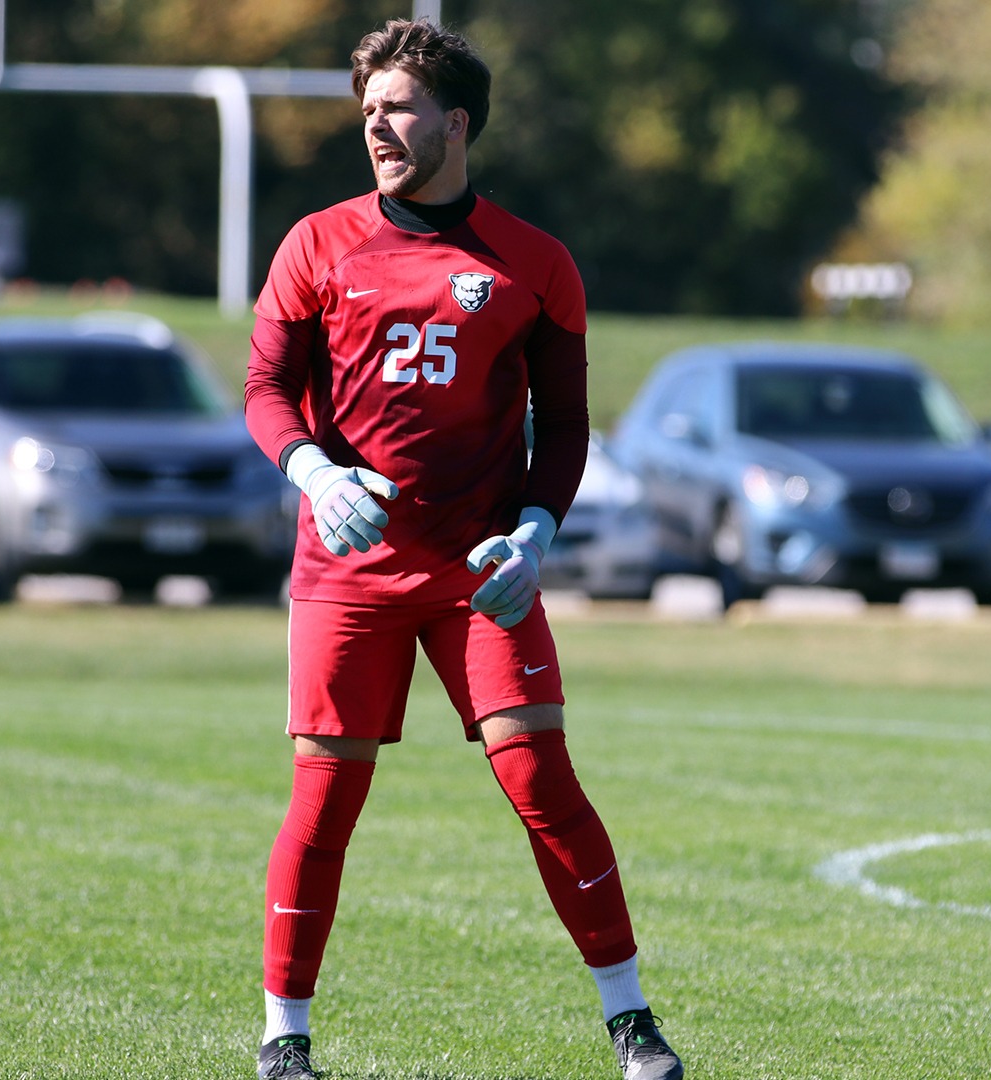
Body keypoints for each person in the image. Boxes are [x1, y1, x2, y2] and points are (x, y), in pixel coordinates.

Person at [240, 18, 684, 1080]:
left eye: (397, 108)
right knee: (324, 800)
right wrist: (315, 474)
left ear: (456, 122)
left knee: (541, 779)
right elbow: (263, 390)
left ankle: (631, 1022)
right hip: (347, 572)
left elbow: (565, 427)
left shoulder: (535, 262)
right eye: (368, 111)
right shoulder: (315, 244)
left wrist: (538, 532)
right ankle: (283, 1037)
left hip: (481, 571)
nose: (376, 127)